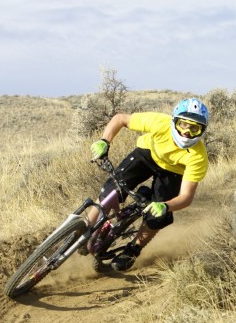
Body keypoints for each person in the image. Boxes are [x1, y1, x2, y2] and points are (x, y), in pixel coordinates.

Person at [87, 97, 210, 272]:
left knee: (157, 216)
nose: (187, 132)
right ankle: (86, 226)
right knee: (110, 191)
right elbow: (120, 119)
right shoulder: (160, 123)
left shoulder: (198, 157)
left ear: (201, 131)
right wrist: (104, 141)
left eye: (194, 128)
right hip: (147, 154)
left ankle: (133, 248)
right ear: (174, 121)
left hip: (174, 171)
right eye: (183, 124)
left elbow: (186, 197)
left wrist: (165, 206)